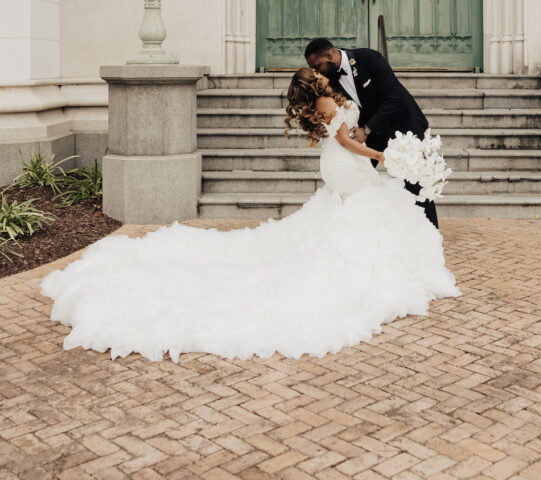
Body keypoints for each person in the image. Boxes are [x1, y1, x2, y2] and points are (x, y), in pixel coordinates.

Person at [39, 67, 460, 363]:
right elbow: (348, 143)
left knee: (359, 209)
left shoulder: (329, 100)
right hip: (347, 163)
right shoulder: (328, 102)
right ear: (315, 83)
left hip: (344, 164)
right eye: (318, 73)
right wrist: (382, 154)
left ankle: (372, 259)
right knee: (367, 205)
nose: (323, 74)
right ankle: (364, 265)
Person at [305, 38, 439, 228]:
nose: (317, 72)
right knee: (359, 179)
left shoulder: (369, 58)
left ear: (328, 55)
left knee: (416, 181)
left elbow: (393, 98)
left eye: (318, 66)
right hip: (370, 136)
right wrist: (321, 128)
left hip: (403, 127)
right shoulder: (329, 80)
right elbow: (329, 111)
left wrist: (367, 129)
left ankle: (429, 232)